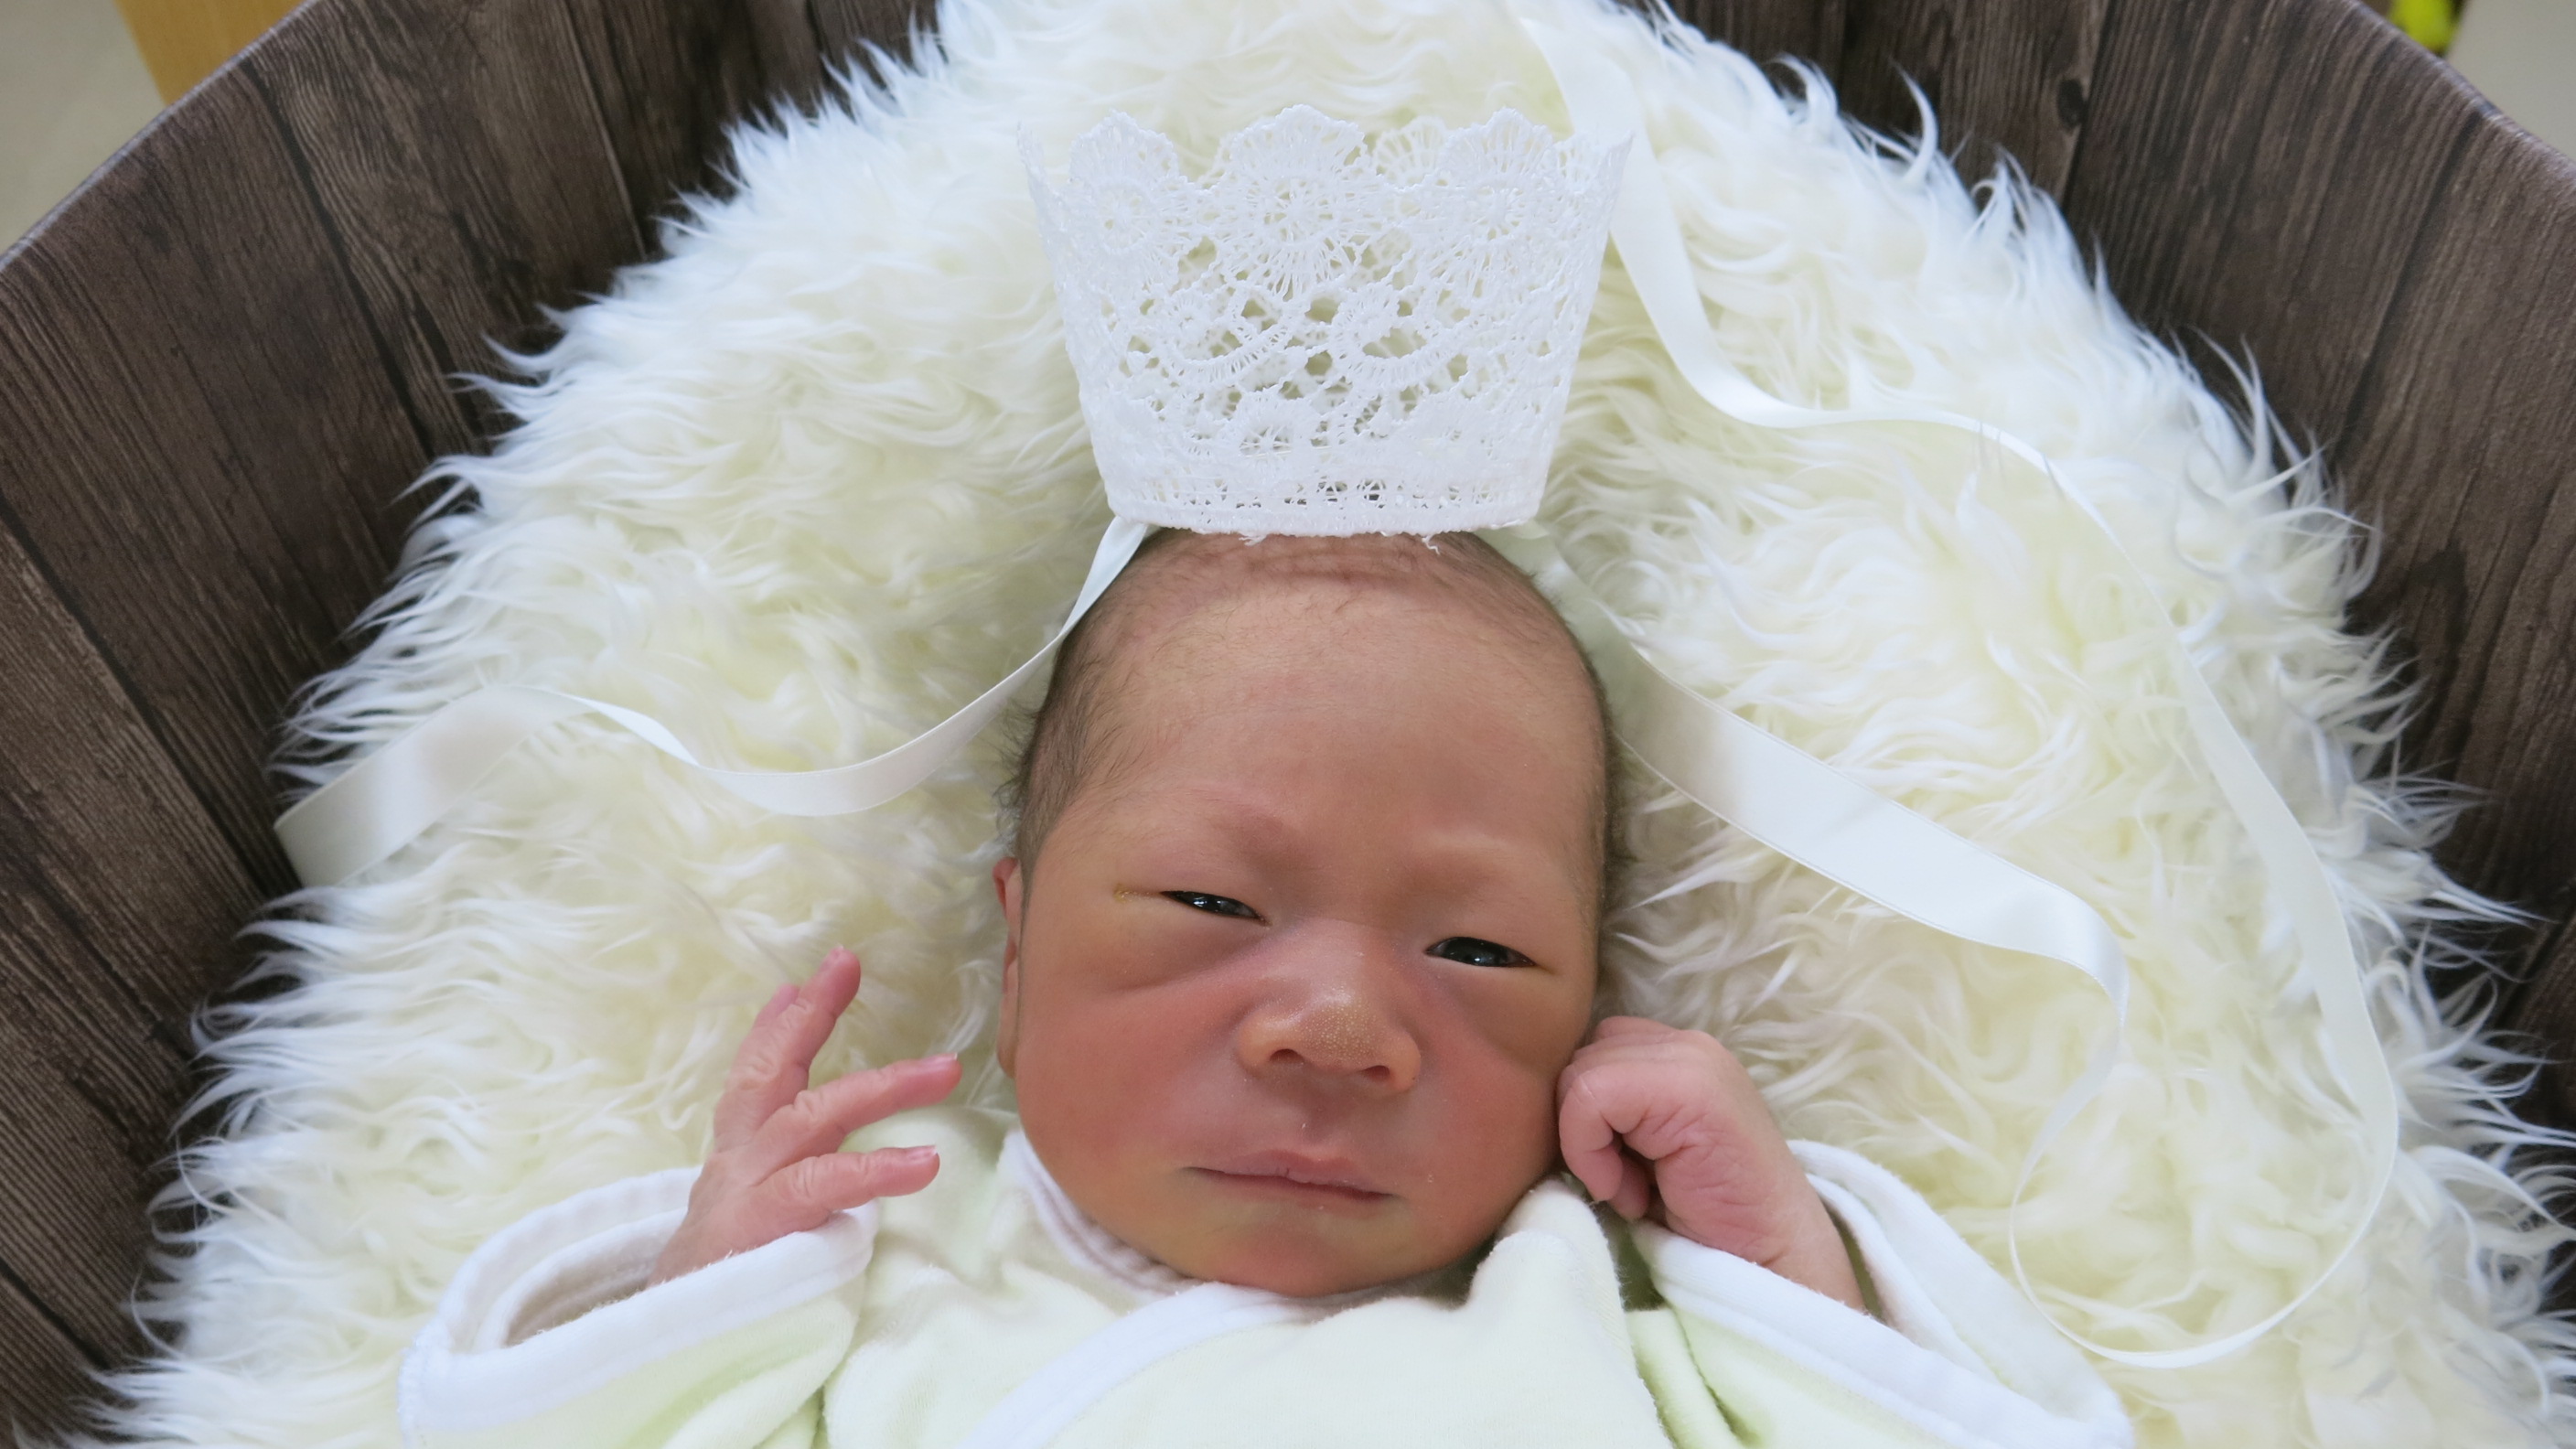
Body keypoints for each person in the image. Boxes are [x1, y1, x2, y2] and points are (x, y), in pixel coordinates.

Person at [396, 529, 2132, 1449]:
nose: (1341, 1026)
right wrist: (699, 1307)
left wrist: (1790, 1281)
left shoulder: (1594, 1304)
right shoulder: (890, 1266)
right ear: (1015, 956)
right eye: (1211, 901)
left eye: (1478, 951)